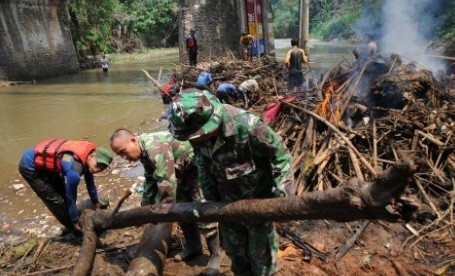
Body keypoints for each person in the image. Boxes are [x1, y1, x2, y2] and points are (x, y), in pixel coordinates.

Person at [169, 89, 295, 275]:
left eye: (198, 135)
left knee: (263, 262)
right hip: (227, 207)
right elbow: (202, 165)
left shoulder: (247, 125)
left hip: (258, 204)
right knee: (237, 257)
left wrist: (283, 199)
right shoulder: (197, 136)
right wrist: (211, 203)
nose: (196, 140)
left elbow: (280, 155)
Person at [110, 129, 223, 275]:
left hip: (199, 167)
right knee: (182, 209)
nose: (124, 157)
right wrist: (144, 208)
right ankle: (194, 246)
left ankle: (215, 254)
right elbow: (151, 179)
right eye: (119, 155)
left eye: (123, 151)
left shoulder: (155, 148)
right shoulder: (143, 151)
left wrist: (161, 212)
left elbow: (167, 184)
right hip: (182, 170)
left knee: (201, 210)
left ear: (133, 140)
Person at [18, 140, 113, 234]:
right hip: (29, 167)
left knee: (62, 192)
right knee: (57, 201)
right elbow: (70, 198)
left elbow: (90, 183)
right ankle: (74, 230)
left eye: (103, 168)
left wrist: (96, 202)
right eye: (98, 165)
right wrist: (75, 220)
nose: (98, 169)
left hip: (46, 163)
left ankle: (71, 220)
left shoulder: (87, 159)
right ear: (92, 156)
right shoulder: (74, 173)